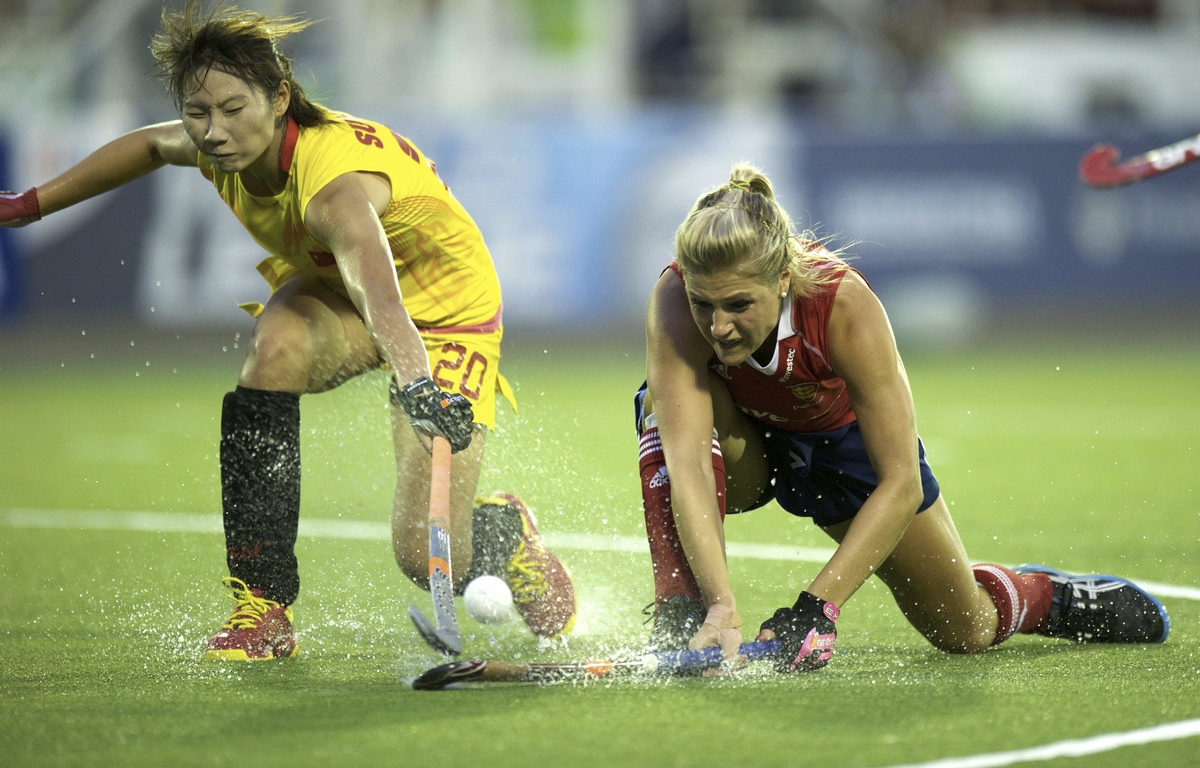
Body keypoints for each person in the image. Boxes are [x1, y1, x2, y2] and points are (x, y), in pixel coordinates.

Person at [0, 3, 575, 660]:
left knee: (421, 555)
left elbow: (382, 296)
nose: (212, 133)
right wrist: (28, 204)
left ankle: (506, 538)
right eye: (198, 113)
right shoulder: (220, 140)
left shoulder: (333, 188)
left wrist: (418, 383)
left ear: (280, 98)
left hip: (443, 316)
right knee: (274, 350)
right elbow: (147, 145)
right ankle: (263, 607)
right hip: (339, 288)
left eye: (231, 109)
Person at [634, 163, 1169, 672]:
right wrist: (721, 605)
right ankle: (678, 604)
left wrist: (818, 608)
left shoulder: (842, 305)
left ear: (779, 279)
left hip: (839, 444)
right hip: (745, 441)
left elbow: (901, 482)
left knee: (965, 630)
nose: (718, 326)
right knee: (660, 404)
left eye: (737, 305)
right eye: (705, 305)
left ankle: (1044, 595)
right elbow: (690, 467)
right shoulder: (676, 300)